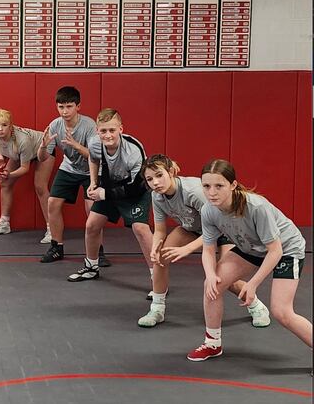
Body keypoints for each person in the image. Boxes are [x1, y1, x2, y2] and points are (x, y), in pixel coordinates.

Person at [186, 159, 311, 361]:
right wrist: (210, 275)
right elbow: (208, 249)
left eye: (219, 186)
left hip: (286, 249)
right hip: (251, 247)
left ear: (233, 185)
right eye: (206, 186)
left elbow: (275, 251)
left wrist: (253, 284)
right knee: (213, 286)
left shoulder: (255, 207)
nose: (212, 192)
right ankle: (212, 344)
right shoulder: (209, 210)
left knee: (282, 312)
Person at [137, 154, 270, 328]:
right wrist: (155, 247)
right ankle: (157, 308)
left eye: (159, 175)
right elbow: (160, 230)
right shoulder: (157, 196)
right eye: (150, 179)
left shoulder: (194, 192)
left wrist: (187, 249)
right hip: (192, 228)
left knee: (221, 278)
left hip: (222, 229)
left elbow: (216, 226)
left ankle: (256, 305)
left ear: (170, 172)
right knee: (160, 259)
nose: (155, 182)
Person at [68, 108, 152, 282]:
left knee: (141, 229)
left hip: (135, 190)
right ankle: (91, 267)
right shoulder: (94, 143)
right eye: (103, 131)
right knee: (91, 225)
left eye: (112, 130)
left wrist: (104, 193)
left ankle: (157, 276)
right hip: (109, 187)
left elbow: (137, 186)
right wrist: (93, 181)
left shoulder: (133, 150)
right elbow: (93, 158)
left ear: (121, 129)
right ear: (97, 130)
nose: (108, 135)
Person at [38, 86, 110, 264]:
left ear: (78, 106)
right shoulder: (55, 125)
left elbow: (96, 156)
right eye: (61, 107)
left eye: (69, 106)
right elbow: (43, 157)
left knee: (93, 210)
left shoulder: (89, 126)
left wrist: (76, 145)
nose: (65, 111)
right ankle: (56, 247)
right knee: (52, 203)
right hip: (69, 168)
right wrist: (42, 146)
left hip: (91, 170)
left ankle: (98, 252)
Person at [0, 109, 52, 242]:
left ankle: (52, 229)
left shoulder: (23, 140)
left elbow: (24, 168)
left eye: (4, 125)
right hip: (19, 153)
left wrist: (8, 174)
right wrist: (1, 158)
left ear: (11, 126)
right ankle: (4, 224)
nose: (0, 129)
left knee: (40, 187)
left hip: (42, 148)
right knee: (5, 183)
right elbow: (0, 143)